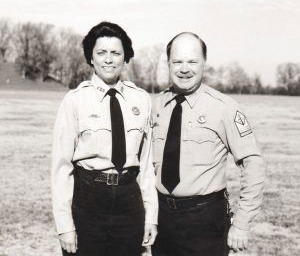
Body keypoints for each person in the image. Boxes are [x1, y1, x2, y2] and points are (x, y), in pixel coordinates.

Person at [151, 32, 266, 256]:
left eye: (192, 61)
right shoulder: (156, 106)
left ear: (204, 63)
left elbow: (253, 164)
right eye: (177, 62)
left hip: (205, 220)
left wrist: (241, 223)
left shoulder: (224, 108)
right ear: (168, 64)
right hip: (162, 218)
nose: (185, 69)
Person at [51, 21, 158, 255]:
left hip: (129, 201)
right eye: (101, 53)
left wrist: (151, 217)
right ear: (91, 57)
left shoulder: (141, 100)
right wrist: (65, 226)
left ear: (125, 57)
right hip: (88, 199)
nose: (108, 60)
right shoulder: (75, 100)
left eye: (115, 53)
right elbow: (61, 168)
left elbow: (147, 165)